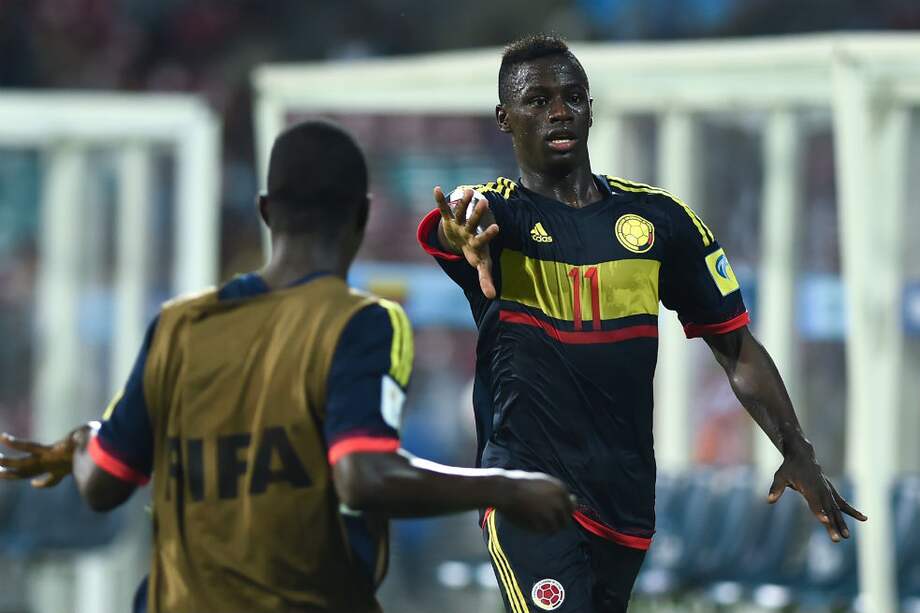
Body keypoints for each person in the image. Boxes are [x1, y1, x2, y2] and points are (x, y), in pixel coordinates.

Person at [0, 120, 574, 613]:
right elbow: (364, 475)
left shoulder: (178, 325)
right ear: (362, 216)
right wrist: (507, 486)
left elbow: (101, 482)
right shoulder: (361, 323)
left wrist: (81, 442)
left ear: (266, 211)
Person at [416, 35, 867, 613]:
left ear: (590, 108)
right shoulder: (498, 214)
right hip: (525, 489)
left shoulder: (659, 222)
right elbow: (457, 220)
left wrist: (796, 447)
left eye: (573, 97)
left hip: (624, 503)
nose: (559, 111)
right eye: (538, 100)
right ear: (505, 118)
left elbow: (735, 348)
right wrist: (461, 231)